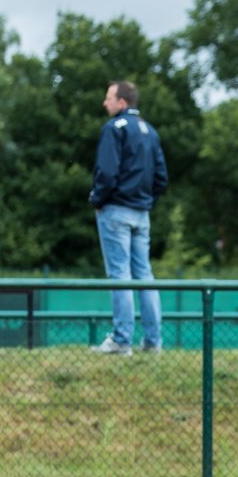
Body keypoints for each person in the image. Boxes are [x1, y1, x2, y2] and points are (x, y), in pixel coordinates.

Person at [88, 80, 168, 356]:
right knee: (144, 275)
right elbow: (161, 178)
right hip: (141, 213)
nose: (105, 103)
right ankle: (153, 342)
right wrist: (146, 202)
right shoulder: (150, 131)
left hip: (116, 210)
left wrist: (97, 199)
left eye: (109, 97)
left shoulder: (114, 129)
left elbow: (107, 173)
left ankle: (122, 341)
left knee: (120, 275)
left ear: (122, 102)